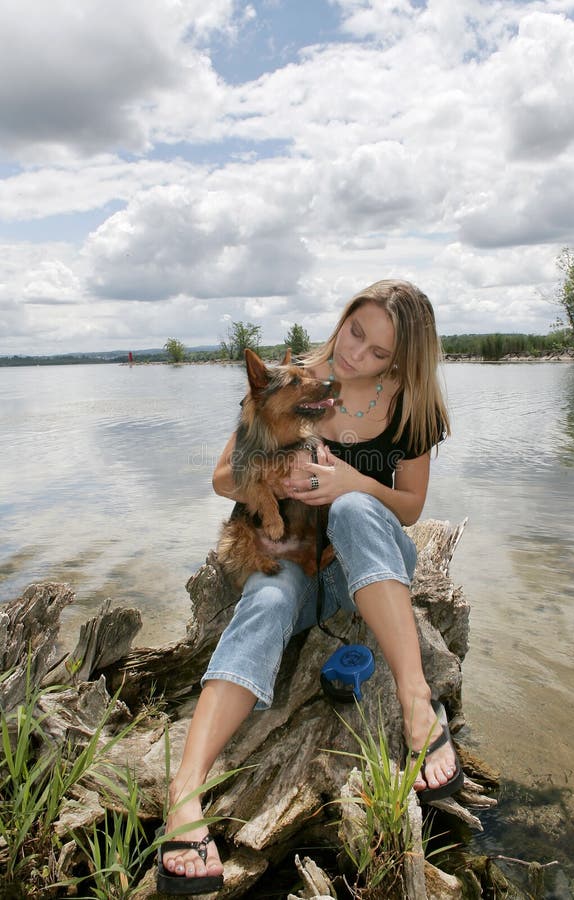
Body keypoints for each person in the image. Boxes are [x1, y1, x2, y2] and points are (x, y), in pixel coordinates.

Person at [159, 279, 459, 888]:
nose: (355, 355)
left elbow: (410, 508)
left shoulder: (411, 404)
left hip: (366, 564)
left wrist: (353, 482)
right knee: (267, 597)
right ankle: (184, 790)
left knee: (352, 511)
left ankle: (417, 701)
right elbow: (223, 478)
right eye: (355, 331)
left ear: (401, 361)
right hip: (297, 557)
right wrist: (275, 473)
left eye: (379, 353)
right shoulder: (295, 381)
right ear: (344, 316)